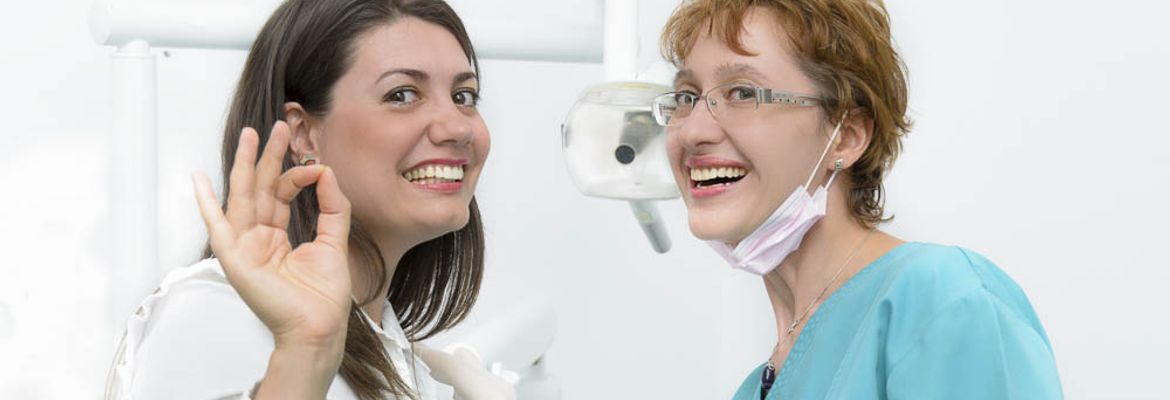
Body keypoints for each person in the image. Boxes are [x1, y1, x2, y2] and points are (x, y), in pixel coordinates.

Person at [652, 0, 1063, 398]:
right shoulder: (757, 386)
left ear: (846, 136)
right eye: (687, 97)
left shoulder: (943, 301)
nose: (692, 131)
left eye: (742, 93)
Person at [105, 0, 510, 398]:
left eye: (464, 96)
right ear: (302, 135)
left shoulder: (401, 361)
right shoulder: (214, 313)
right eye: (402, 95)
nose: (457, 127)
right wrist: (304, 356)